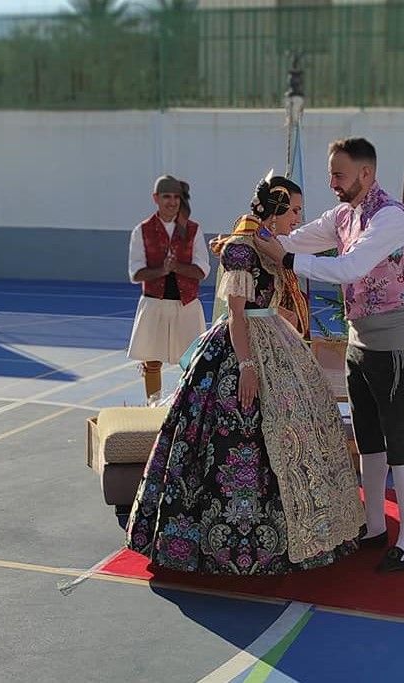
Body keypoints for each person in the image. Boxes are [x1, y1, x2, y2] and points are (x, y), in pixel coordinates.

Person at [125, 174, 364, 575]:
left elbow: (265, 302)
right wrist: (248, 368)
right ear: (274, 208)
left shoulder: (272, 246)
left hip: (274, 337)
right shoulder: (240, 249)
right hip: (241, 347)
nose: (297, 219)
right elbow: (237, 315)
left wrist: (282, 317)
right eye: (294, 211)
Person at [254, 137, 404, 572]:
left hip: (396, 342)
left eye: (339, 175)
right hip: (359, 338)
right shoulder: (345, 214)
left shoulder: (390, 218)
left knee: (399, 437)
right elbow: (298, 239)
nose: (332, 182)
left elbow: (348, 269)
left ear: (366, 174)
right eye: (332, 173)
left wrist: (288, 260)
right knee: (367, 435)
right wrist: (252, 234)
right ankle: (374, 524)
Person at [127, 175, 210, 402]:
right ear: (156, 198)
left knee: (192, 361)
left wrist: (178, 267)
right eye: (166, 197)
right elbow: (135, 273)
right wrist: (162, 270)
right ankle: (153, 406)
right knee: (152, 362)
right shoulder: (142, 231)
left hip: (187, 305)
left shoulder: (193, 230)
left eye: (176, 197)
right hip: (154, 303)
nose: (172, 202)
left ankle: (188, 410)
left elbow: (203, 269)